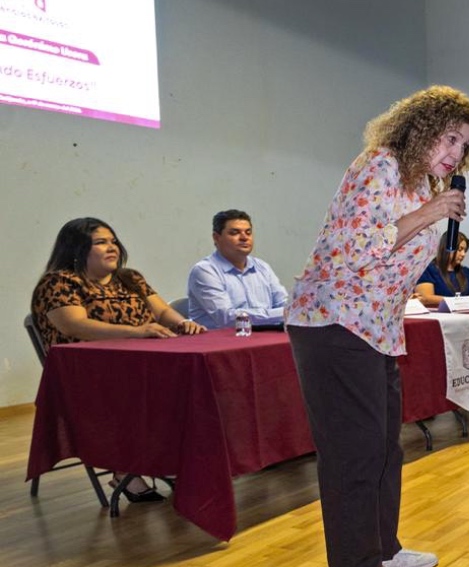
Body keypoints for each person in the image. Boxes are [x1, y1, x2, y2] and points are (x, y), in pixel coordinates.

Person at [285, 85, 469, 567]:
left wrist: (433, 214)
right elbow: (354, 249)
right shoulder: (382, 165)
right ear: (421, 127)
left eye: (464, 146)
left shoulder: (420, 186)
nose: (456, 153)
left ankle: (382, 553)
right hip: (333, 322)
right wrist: (431, 212)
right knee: (354, 452)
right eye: (449, 137)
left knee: (385, 446)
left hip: (375, 328)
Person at [31, 217, 206, 500]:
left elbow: (161, 313)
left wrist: (182, 323)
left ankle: (172, 459)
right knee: (146, 390)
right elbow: (74, 325)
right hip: (86, 377)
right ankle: (128, 469)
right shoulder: (59, 282)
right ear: (77, 248)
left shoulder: (130, 278)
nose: (112, 247)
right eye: (101, 242)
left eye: (113, 241)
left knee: (195, 381)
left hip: (142, 365)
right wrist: (137, 332)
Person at [186, 209, 290, 329]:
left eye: (248, 232)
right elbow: (228, 318)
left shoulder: (262, 267)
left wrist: (289, 311)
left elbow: (283, 303)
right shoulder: (205, 271)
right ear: (216, 237)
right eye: (235, 233)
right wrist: (284, 313)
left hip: (262, 338)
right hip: (220, 343)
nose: (244, 238)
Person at [414, 230, 469, 305]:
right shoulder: (428, 270)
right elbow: (425, 298)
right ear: (447, 248)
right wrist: (465, 301)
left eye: (465, 250)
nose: (463, 254)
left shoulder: (468, 272)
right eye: (460, 250)